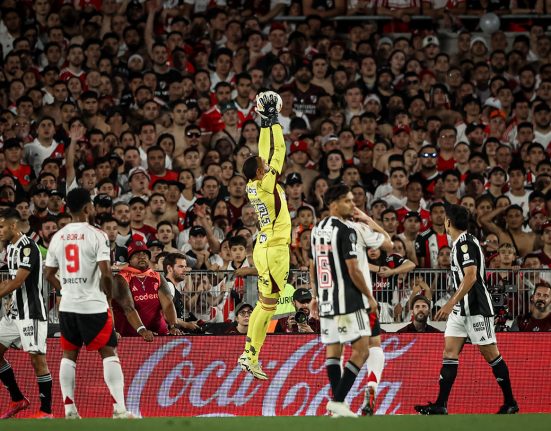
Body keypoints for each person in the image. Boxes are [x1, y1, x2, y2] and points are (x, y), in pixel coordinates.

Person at [415, 204, 518, 415]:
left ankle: (510, 402)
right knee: (449, 353)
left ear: (449, 222)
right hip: (460, 310)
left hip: (477, 308)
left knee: (491, 354)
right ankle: (441, 405)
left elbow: (471, 276)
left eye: (445, 218)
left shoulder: (465, 244)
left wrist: (449, 303)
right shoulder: (459, 243)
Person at [44, 188, 135, 419]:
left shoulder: (58, 236)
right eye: (92, 205)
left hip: (67, 306)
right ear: (87, 208)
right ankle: (119, 409)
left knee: (68, 355)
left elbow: (48, 274)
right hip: (92, 305)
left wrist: (64, 290)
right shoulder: (97, 235)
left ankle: (70, 410)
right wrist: (107, 295)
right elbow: (106, 273)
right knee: (109, 353)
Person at [309, 184, 378, 418]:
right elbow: (353, 270)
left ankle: (338, 408)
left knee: (333, 352)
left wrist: (316, 296)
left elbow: (313, 265)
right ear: (333, 204)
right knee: (362, 350)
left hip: (327, 300)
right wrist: (369, 296)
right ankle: (338, 401)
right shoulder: (345, 230)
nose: (353, 204)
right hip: (348, 300)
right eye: (348, 201)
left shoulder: (316, 229)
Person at [239, 92, 292, 380]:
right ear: (261, 171)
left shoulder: (251, 185)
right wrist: (274, 122)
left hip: (263, 245)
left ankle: (251, 354)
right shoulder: (267, 184)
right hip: (274, 249)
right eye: (263, 165)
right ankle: (250, 354)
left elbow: (264, 155)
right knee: (268, 305)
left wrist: (263, 123)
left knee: (264, 303)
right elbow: (278, 152)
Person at [0, 208, 52, 419]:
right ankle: (17, 398)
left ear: (13, 225)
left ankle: (46, 411)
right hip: (13, 314)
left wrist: (6, 288)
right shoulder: (10, 248)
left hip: (31, 312)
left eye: (1, 226)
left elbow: (17, 281)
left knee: (37, 360)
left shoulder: (27, 247)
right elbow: (10, 281)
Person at [348, 207, 394, 416]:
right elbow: (388, 242)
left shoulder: (324, 232)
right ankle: (372, 386)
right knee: (374, 345)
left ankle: (338, 402)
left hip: (338, 298)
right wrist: (368, 219)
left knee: (338, 351)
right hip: (363, 298)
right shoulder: (359, 230)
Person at [112, 241, 183, 337]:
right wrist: (142, 330)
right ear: (130, 260)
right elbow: (128, 308)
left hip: (159, 335)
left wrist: (173, 326)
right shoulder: (120, 278)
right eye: (137, 254)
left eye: (145, 254)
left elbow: (168, 303)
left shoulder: (157, 276)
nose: (142, 256)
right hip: (131, 337)